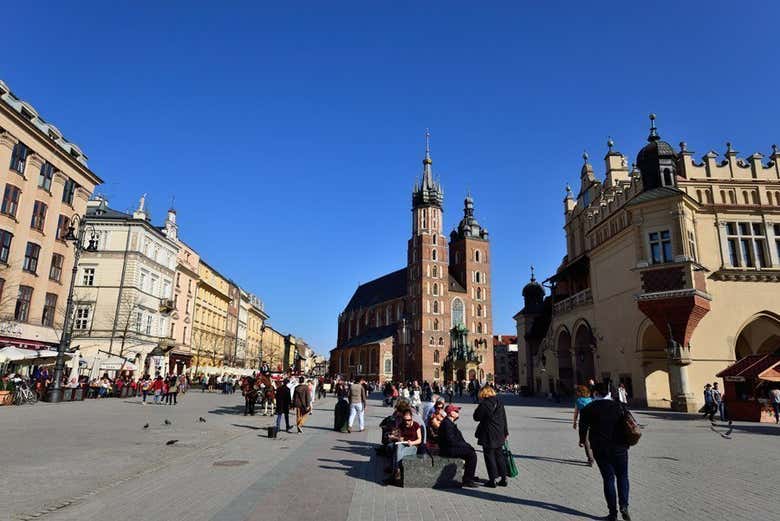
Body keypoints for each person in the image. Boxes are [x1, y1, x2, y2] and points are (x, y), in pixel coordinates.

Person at [578, 383, 632, 521]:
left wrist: (582, 440)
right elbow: (630, 423)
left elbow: (583, 428)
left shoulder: (588, 408)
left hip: (600, 448)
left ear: (595, 393)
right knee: (623, 476)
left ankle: (612, 513)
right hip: (620, 446)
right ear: (608, 392)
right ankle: (624, 506)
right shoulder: (619, 406)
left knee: (608, 479)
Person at [473, 385, 509, 488]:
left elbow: (476, 417)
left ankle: (492, 480)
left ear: (483, 393)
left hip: (488, 433)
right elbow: (504, 418)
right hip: (499, 433)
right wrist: (505, 432)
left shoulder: (484, 404)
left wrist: (479, 406)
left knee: (489, 456)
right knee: (499, 455)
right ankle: (503, 478)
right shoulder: (499, 402)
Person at [438, 404, 478, 488]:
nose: (458, 412)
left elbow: (457, 439)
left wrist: (466, 445)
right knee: (471, 454)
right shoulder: (447, 424)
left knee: (470, 451)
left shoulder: (449, 422)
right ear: (450, 413)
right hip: (447, 450)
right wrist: (466, 446)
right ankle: (468, 479)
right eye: (456, 411)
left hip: (450, 447)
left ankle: (469, 475)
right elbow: (451, 441)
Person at [383, 407, 422, 485]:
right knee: (398, 448)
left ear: (411, 418)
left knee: (397, 452)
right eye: (405, 420)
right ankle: (396, 471)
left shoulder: (416, 425)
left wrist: (413, 442)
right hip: (403, 444)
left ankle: (394, 472)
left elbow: (420, 439)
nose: (407, 422)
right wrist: (398, 438)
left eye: (408, 420)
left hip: (412, 446)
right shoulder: (401, 425)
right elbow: (397, 436)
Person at [573, 385, 595, 466]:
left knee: (586, 441)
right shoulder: (590, 400)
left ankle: (590, 459)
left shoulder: (578, 401)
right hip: (592, 422)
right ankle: (593, 456)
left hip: (583, 423)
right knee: (591, 440)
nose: (576, 393)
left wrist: (574, 422)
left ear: (580, 392)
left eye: (577, 391)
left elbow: (576, 413)